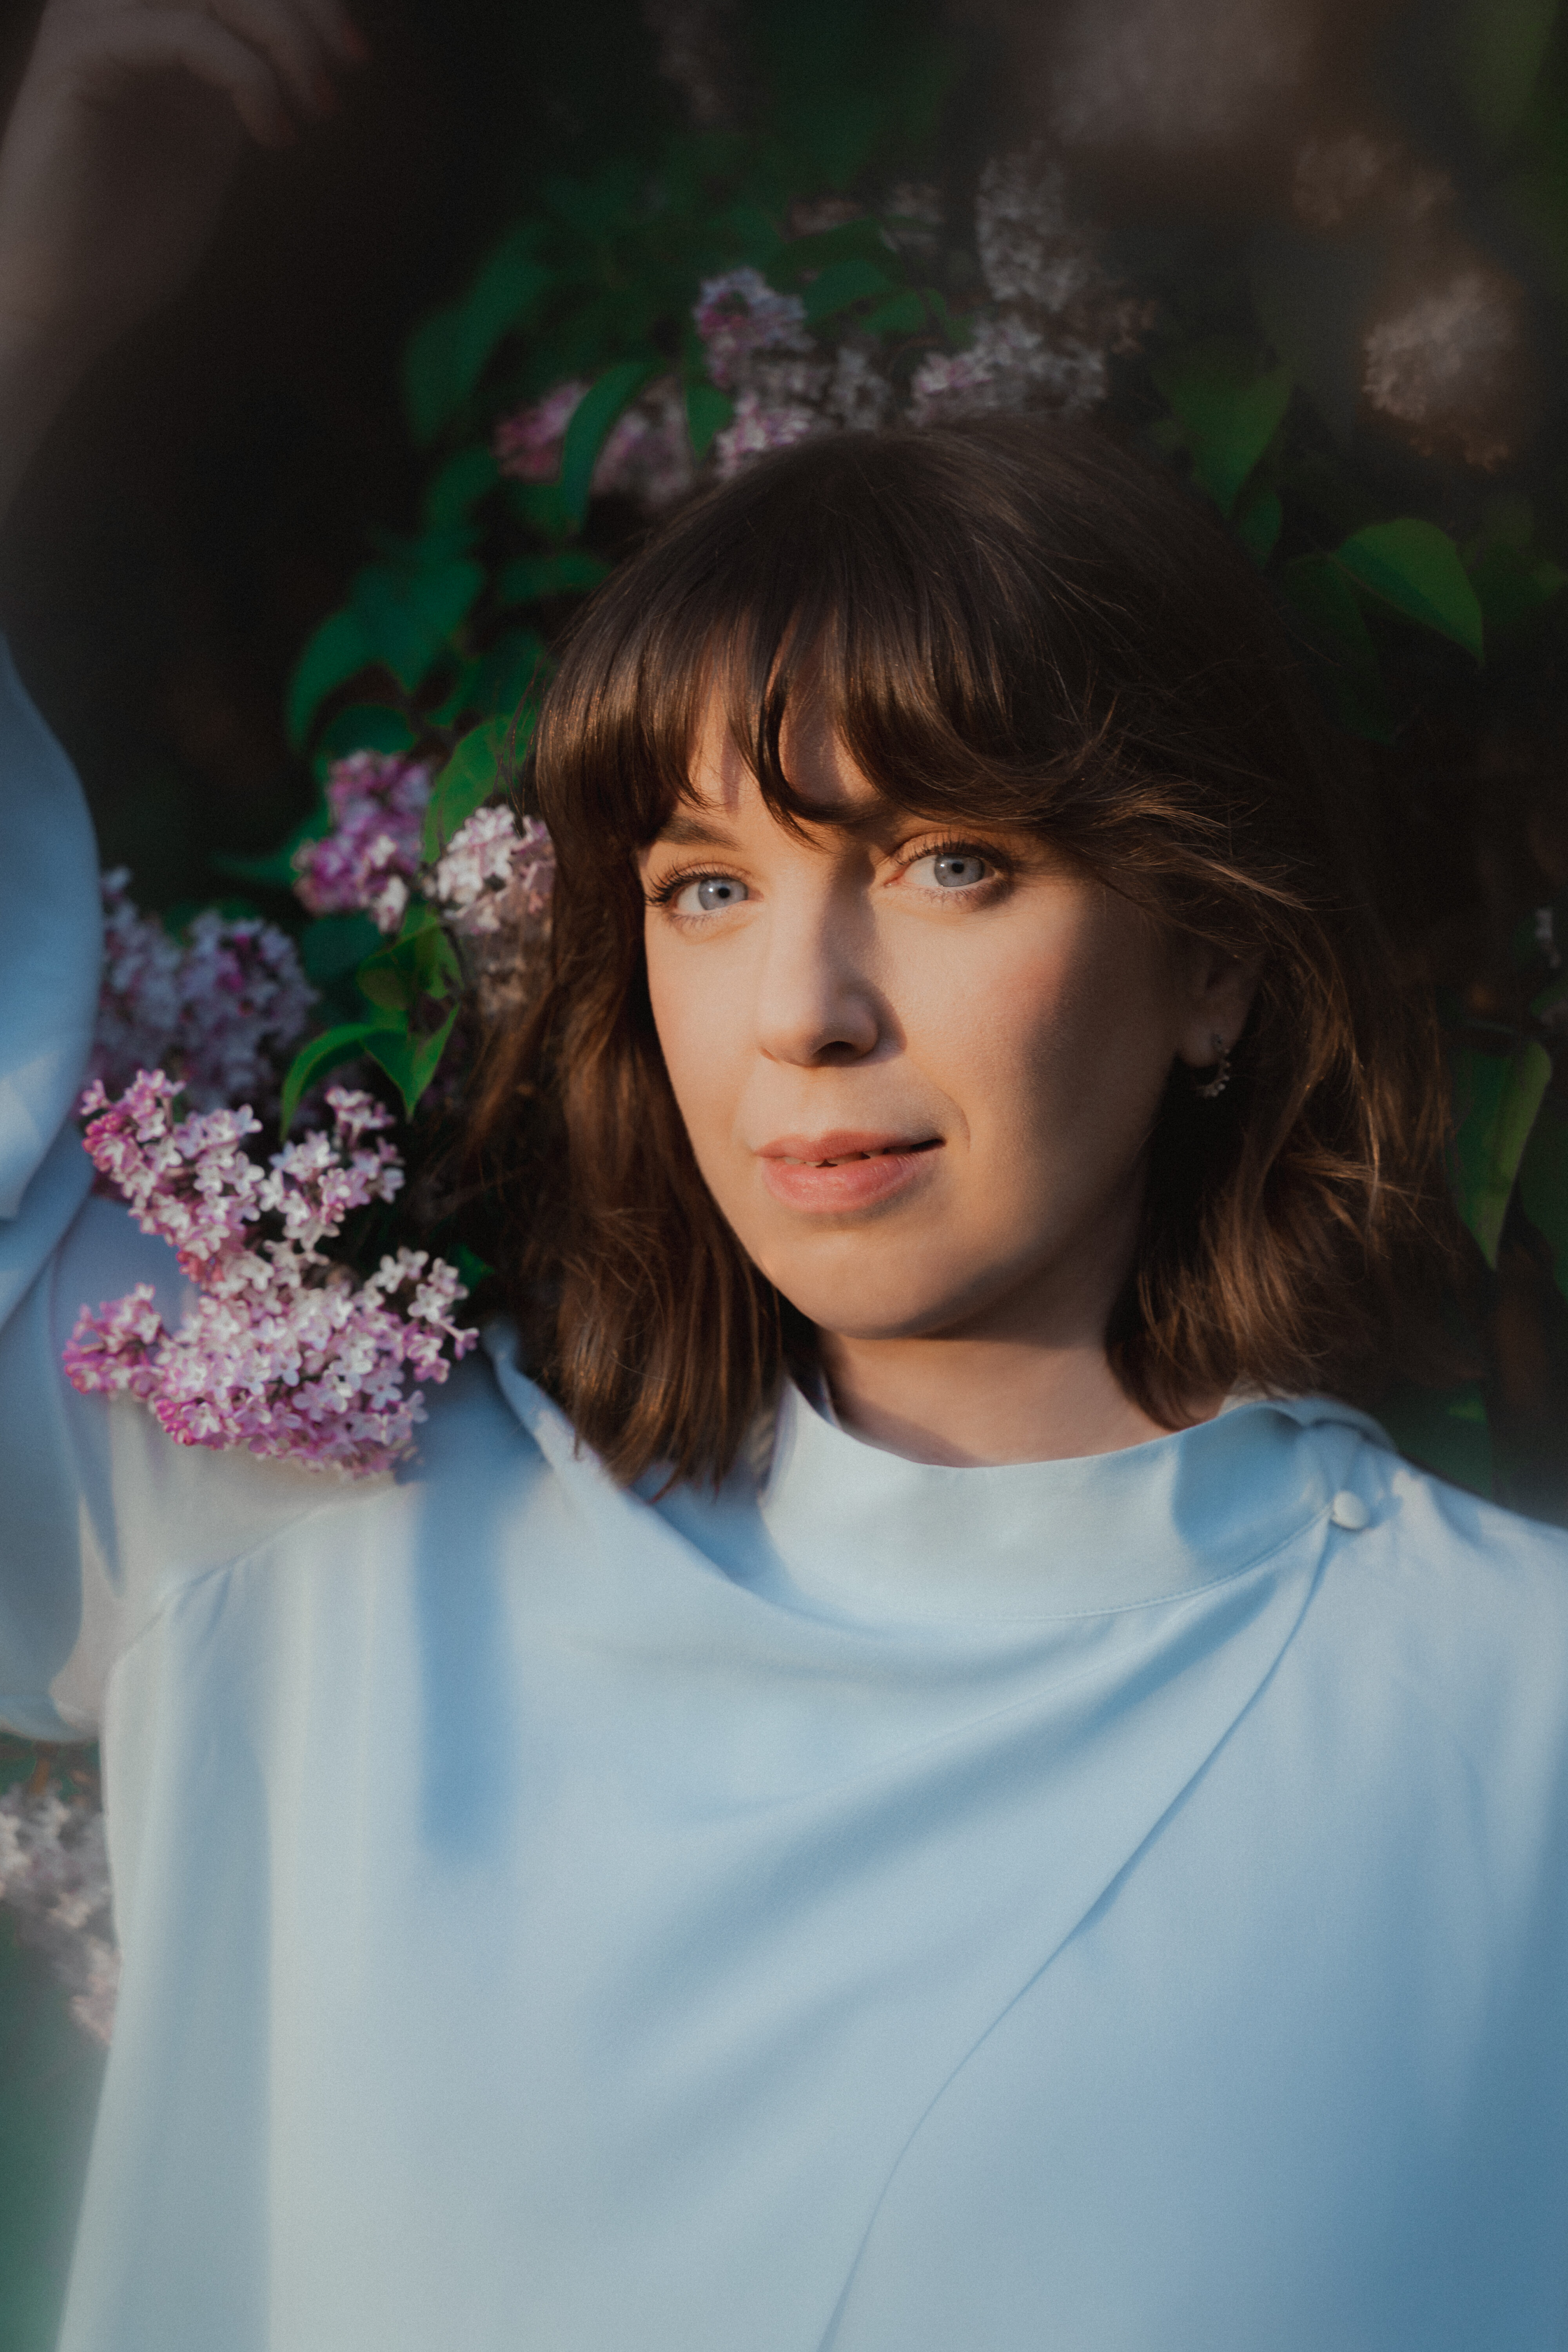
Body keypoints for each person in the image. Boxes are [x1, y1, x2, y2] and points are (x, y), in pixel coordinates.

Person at [2, 5, 1567, 2348]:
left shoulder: (1511, 1734)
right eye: (707, 886)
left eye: (949, 862)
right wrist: (32, 302)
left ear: (1217, 969)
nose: (805, 1010)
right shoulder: (304, 1539)